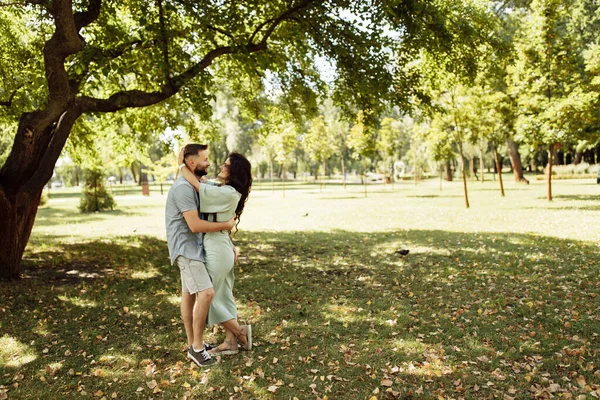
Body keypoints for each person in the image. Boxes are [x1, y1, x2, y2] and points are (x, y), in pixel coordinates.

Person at [165, 144, 236, 366]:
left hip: (195, 246)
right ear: (193, 162)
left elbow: (212, 191)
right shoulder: (183, 189)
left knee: (189, 294)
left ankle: (193, 343)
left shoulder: (197, 183)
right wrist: (226, 225)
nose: (209, 163)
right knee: (206, 293)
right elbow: (194, 225)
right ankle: (197, 348)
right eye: (205, 159)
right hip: (186, 248)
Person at [179, 150, 253, 355]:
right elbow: (205, 185)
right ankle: (231, 342)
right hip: (220, 246)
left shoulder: (228, 193)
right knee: (223, 296)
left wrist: (183, 166)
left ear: (234, 171)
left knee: (207, 297)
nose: (221, 167)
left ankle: (239, 333)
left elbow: (198, 186)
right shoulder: (225, 189)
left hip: (216, 249)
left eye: (226, 165)